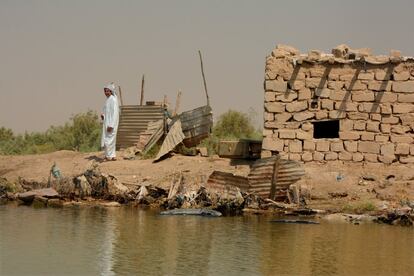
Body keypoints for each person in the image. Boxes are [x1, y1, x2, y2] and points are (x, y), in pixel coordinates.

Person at [101, 83, 119, 161]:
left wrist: (111, 125)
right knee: (109, 139)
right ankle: (111, 155)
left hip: (111, 124)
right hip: (107, 123)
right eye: (105, 91)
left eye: (107, 91)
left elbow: (115, 113)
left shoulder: (113, 100)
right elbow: (107, 113)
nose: (106, 92)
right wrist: (103, 116)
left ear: (111, 91)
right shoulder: (108, 100)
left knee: (109, 140)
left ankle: (109, 156)